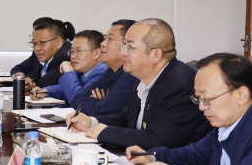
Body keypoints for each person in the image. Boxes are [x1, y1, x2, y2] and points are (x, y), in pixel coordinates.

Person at [125, 53, 252, 165]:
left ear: (241, 95)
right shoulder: (225, 126)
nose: (201, 107)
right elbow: (194, 155)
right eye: (198, 98)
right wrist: (152, 156)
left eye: (207, 99)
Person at [66, 18, 211, 149]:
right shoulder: (142, 79)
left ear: (155, 55)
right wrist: (92, 122)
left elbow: (158, 140)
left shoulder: (179, 84)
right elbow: (128, 119)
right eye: (124, 46)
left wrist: (105, 132)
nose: (123, 53)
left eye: (130, 47)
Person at [69, 20, 139, 116]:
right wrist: (101, 104)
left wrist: (102, 105)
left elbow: (106, 110)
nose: (102, 44)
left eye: (110, 39)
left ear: (127, 45)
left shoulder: (131, 75)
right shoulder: (110, 71)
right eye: (104, 39)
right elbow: (77, 99)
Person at [30, 30, 107, 104]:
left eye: (79, 51)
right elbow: (65, 90)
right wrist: (44, 91)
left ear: (97, 53)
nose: (73, 56)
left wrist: (69, 72)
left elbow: (79, 100)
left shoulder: (102, 72)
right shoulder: (82, 71)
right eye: (72, 51)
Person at [24, 19, 74, 90]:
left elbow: (44, 84)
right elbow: (35, 73)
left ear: (58, 42)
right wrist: (28, 78)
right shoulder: (46, 55)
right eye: (34, 43)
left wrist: (31, 86)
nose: (37, 48)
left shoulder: (64, 56)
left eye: (43, 42)